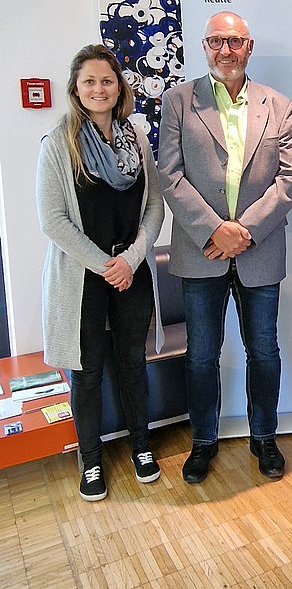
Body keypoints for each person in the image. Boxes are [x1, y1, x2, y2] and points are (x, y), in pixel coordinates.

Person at [158, 11, 292, 484]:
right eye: (217, 41)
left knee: (264, 351)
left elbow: (290, 178)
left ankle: (264, 437)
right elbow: (170, 175)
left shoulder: (277, 105)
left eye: (235, 41)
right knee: (201, 355)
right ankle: (203, 441)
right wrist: (214, 229)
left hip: (259, 252)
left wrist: (247, 229)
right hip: (201, 251)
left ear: (249, 46)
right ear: (204, 46)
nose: (226, 50)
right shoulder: (178, 101)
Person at [37, 44, 164, 502]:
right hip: (83, 278)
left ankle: (142, 448)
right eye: (89, 81)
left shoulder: (135, 138)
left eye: (107, 80)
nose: (98, 88)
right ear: (76, 87)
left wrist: (130, 260)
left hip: (129, 272)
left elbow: (154, 205)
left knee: (132, 362)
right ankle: (90, 459)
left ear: (119, 86)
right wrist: (106, 266)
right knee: (87, 373)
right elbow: (53, 221)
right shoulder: (58, 144)